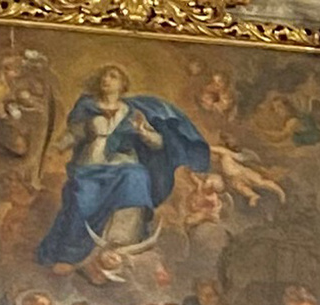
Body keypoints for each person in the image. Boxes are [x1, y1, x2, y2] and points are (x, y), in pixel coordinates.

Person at [37, 65, 210, 282]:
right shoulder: (88, 108)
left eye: (113, 76)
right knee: (82, 200)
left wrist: (144, 132)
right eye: (104, 76)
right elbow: (75, 135)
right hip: (90, 166)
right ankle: (70, 255)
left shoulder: (133, 113)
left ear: (122, 85)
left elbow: (158, 144)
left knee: (136, 177)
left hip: (123, 164)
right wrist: (56, 148)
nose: (106, 80)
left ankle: (119, 247)